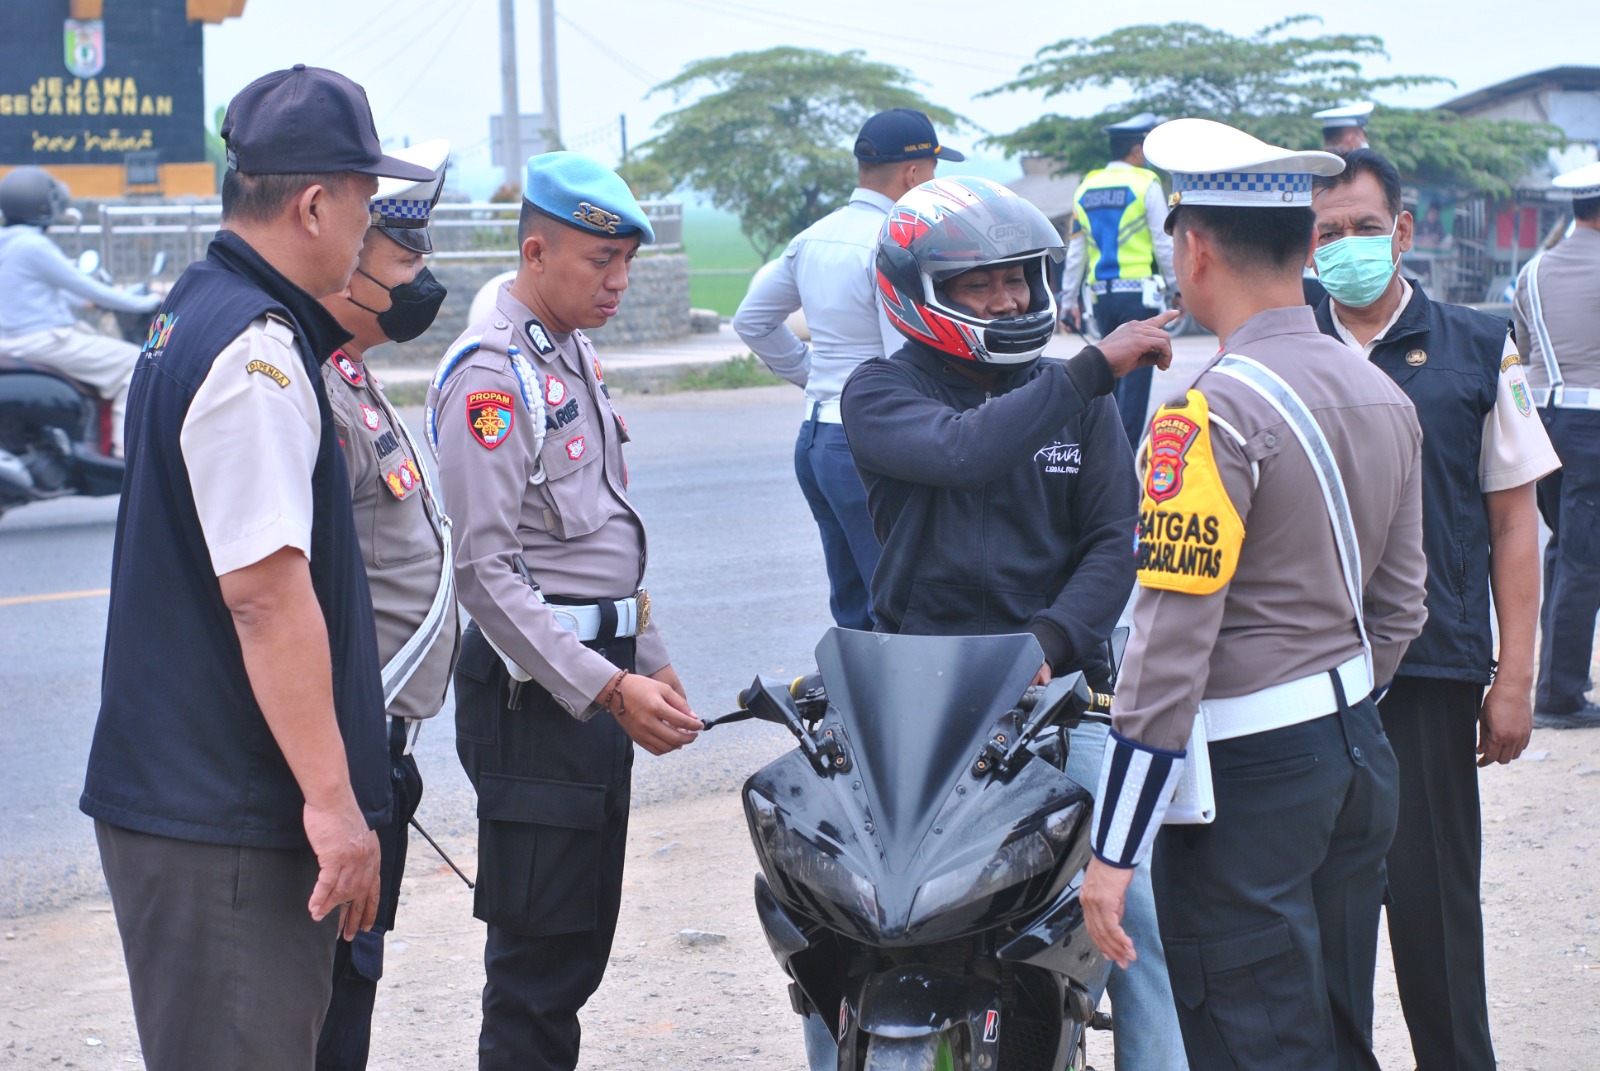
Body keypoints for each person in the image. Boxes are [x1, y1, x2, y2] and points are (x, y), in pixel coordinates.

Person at [78, 64, 436, 1071]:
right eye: (366, 203)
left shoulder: (198, 310)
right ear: (315, 204)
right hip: (227, 822)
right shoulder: (257, 354)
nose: (372, 230)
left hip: (205, 806)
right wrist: (336, 805)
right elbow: (266, 601)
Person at [1082, 119, 1429, 1071]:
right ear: (1308, 248)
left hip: (1249, 781)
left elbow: (1166, 650)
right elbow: (1400, 607)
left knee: (1253, 1045)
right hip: (1356, 752)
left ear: (1194, 251)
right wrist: (1327, 707)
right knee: (1332, 1033)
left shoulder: (1208, 412)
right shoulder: (1378, 391)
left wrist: (1115, 850)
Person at [841, 175, 1189, 1071]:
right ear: (919, 291)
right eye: (978, 285)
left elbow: (1116, 545)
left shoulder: (1078, 398)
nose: (1008, 300)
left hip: (1061, 693)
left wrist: (1046, 643)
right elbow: (964, 451)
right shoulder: (879, 394)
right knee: (840, 923)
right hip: (916, 706)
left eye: (1021, 281)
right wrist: (1090, 370)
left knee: (1143, 925)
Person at [427, 151, 702, 1071]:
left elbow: (602, 536)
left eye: (626, 261)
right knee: (537, 972)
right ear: (536, 253)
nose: (618, 282)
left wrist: (649, 656)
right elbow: (486, 574)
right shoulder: (492, 379)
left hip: (592, 687)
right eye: (599, 261)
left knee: (575, 952)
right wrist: (608, 684)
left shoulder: (571, 352)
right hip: (537, 699)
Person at [1310, 148, 1559, 1071]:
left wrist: (1517, 678)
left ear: (1404, 232)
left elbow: (1514, 522)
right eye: (1327, 234)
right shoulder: (1287, 347)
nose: (1346, 248)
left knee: (1435, 915)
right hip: (1309, 683)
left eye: (1365, 228)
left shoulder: (1474, 345)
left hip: (1431, 670)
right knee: (1327, 922)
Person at [313, 138, 457, 1071]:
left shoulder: (354, 375)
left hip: (380, 754)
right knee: (322, 1007)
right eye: (403, 258)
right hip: (338, 757)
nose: (421, 281)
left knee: (351, 992)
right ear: (346, 259)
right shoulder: (313, 392)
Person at [733, 108, 964, 631]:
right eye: (933, 169)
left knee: (853, 601)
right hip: (869, 442)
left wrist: (810, 373)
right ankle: (894, 712)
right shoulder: (895, 240)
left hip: (816, 438)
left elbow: (752, 321)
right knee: (900, 605)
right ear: (914, 175)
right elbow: (906, 357)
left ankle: (854, 708)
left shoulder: (813, 237)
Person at [1514, 161, 1600, 730]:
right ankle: (1559, 697)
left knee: (1566, 548)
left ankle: (1559, 678)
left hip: (1545, 421)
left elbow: (1520, 348)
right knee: (1582, 558)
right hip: (1594, 425)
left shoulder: (1533, 269)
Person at [0, 166, 162, 456]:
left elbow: (53, 288)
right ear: (41, 205)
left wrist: (85, 303)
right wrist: (146, 303)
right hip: (43, 340)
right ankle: (126, 454)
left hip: (15, 340)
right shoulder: (34, 245)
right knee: (134, 364)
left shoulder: (8, 242)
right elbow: (87, 286)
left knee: (90, 336)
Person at [1059, 113, 1178, 448]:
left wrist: (1069, 303)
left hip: (1102, 301)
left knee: (1108, 377)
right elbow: (1163, 242)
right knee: (1136, 387)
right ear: (1137, 151)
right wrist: (1178, 288)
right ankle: (1122, 459)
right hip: (1139, 298)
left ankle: (1103, 454)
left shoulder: (1086, 187)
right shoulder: (1145, 183)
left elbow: (1076, 252)